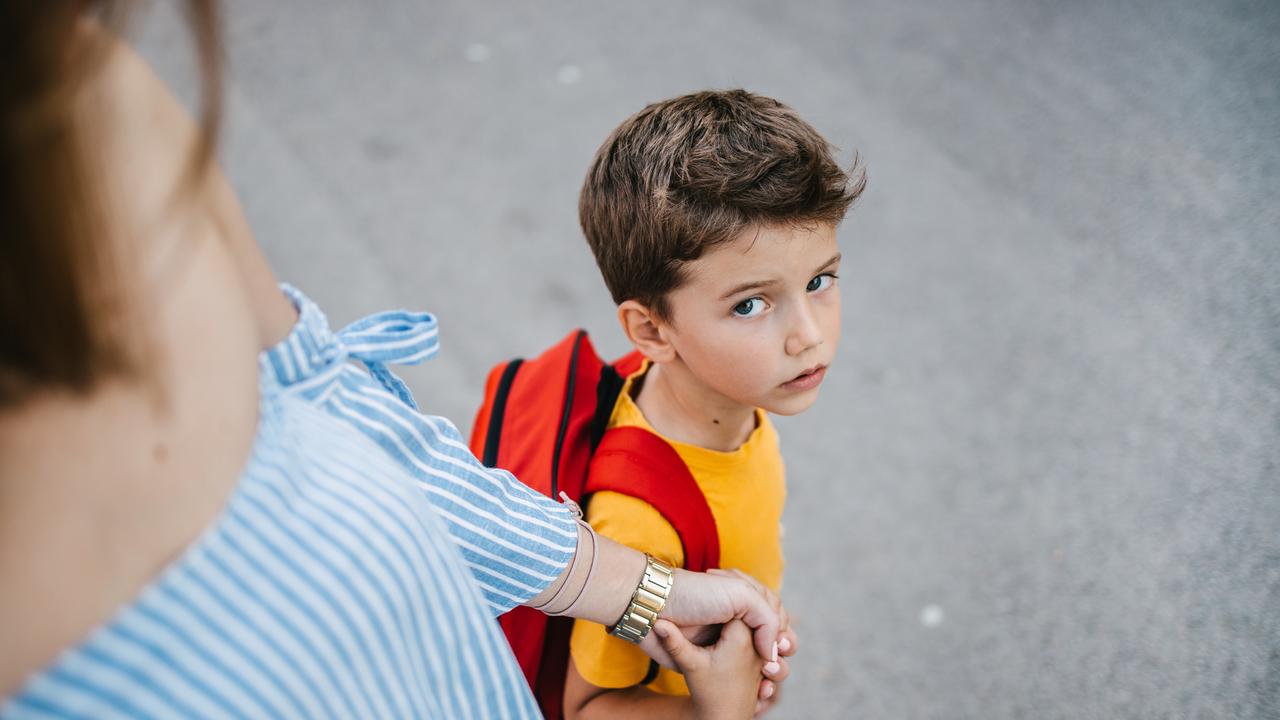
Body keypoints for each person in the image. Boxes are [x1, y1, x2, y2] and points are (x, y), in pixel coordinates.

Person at [0, 5, 789, 718]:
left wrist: (646, 593)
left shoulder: (95, 101)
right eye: (754, 302)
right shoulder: (643, 498)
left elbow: (334, 398)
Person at [562, 90, 865, 718]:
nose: (808, 334)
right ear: (651, 332)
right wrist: (716, 709)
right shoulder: (636, 525)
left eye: (820, 281)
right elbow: (586, 705)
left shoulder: (734, 397)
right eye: (750, 304)